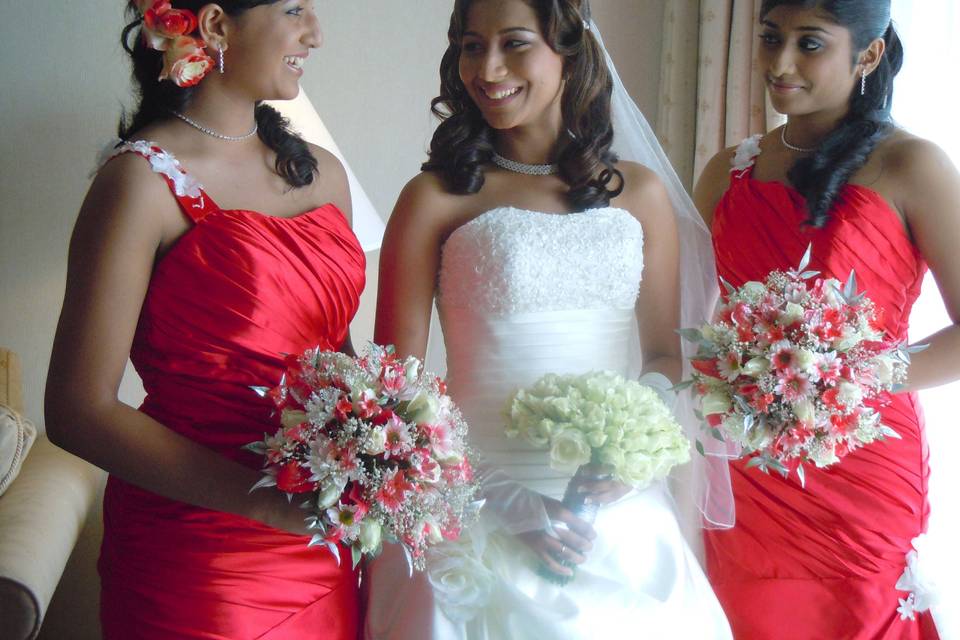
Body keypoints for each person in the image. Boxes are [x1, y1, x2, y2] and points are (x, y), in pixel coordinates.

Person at [364, 0, 731, 638]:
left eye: (513, 43)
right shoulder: (434, 197)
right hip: (473, 503)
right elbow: (398, 388)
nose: (488, 67)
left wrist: (631, 459)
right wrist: (504, 501)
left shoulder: (638, 194)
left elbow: (664, 358)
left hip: (617, 518)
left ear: (568, 50)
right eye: (472, 46)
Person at [44, 1, 365, 637]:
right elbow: (78, 410)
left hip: (323, 548)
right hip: (200, 562)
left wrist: (382, 468)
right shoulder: (139, 184)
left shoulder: (323, 174)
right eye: (295, 9)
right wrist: (269, 504)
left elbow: (342, 364)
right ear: (216, 26)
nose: (316, 34)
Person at [694, 1, 959, 637]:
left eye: (809, 44)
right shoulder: (726, 171)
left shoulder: (912, 165)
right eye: (769, 38)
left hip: (861, 462)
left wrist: (847, 378)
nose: (779, 63)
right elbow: (690, 315)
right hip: (746, 470)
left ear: (867, 54)